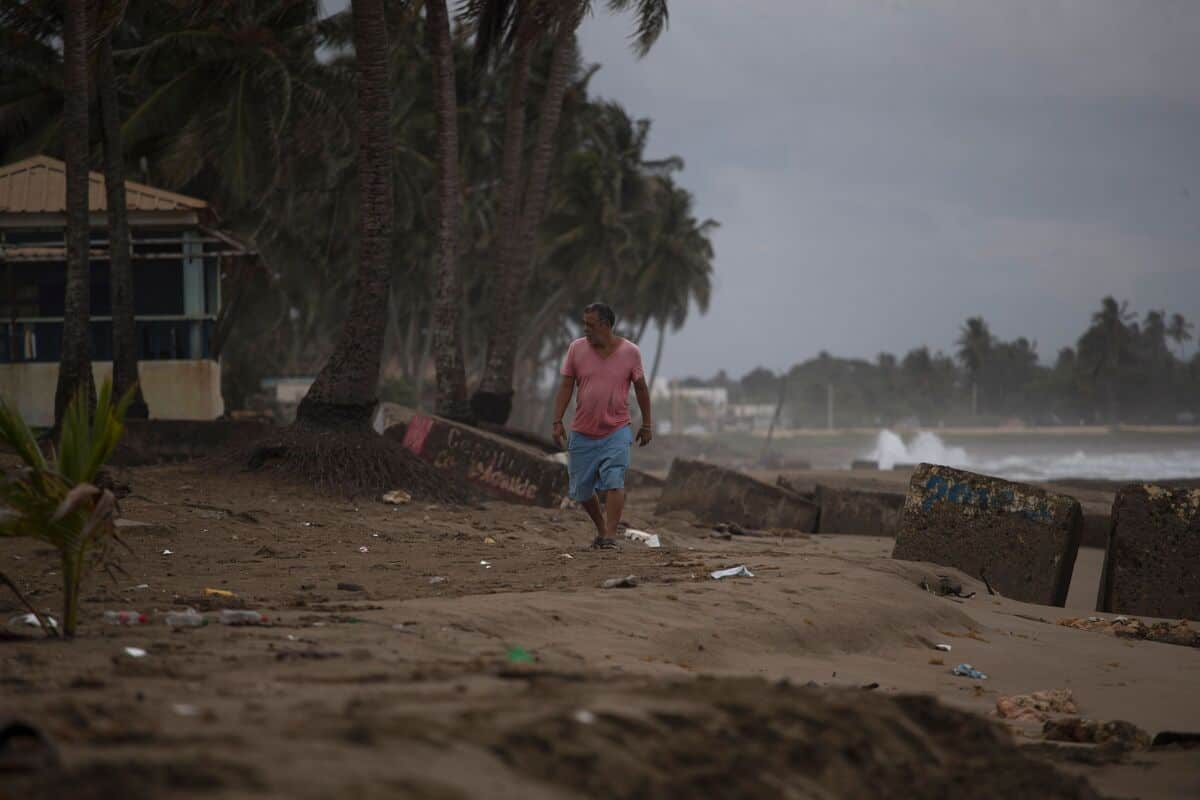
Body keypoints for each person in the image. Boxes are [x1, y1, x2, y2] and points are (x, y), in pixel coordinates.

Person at [552, 302, 653, 549]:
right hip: (583, 431)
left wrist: (647, 424)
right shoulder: (576, 349)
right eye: (584, 324)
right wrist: (557, 421)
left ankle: (610, 536)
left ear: (606, 325)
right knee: (582, 490)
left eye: (590, 325)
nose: (585, 329)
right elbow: (566, 386)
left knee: (614, 481)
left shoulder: (630, 352)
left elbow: (641, 388)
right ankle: (600, 528)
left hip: (616, 429)